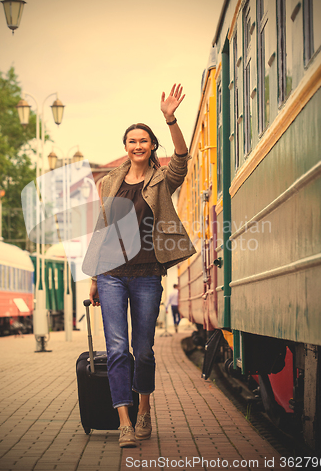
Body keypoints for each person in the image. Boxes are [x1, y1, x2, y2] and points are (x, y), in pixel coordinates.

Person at [88, 84, 196, 448]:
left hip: (148, 273)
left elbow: (181, 156)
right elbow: (103, 230)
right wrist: (93, 278)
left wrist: (170, 119)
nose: (137, 145)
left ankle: (145, 409)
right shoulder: (108, 183)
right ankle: (124, 421)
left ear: (152, 146)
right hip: (111, 275)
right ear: (126, 146)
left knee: (144, 349)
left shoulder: (163, 179)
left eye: (144, 140)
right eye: (132, 141)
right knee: (118, 349)